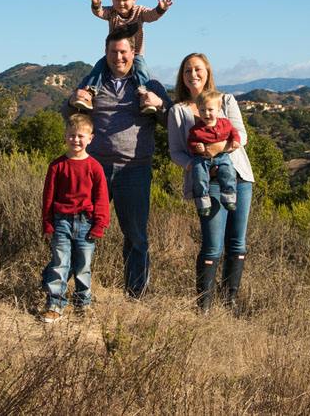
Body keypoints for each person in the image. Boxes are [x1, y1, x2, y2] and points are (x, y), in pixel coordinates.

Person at [63, 28, 172, 299]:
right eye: (113, 52)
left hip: (135, 169)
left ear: (133, 54)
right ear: (106, 53)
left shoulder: (151, 85)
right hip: (94, 169)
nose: (118, 57)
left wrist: (159, 105)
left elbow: (171, 122)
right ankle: (67, 291)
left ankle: (136, 295)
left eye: (124, 52)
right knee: (79, 228)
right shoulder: (93, 84)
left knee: (136, 236)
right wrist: (71, 99)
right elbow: (67, 114)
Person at [167, 53, 255, 314]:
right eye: (187, 71)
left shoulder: (226, 100)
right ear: (181, 77)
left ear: (207, 72)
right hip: (208, 184)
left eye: (198, 69)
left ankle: (231, 302)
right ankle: (203, 306)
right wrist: (195, 164)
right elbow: (176, 152)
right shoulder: (178, 111)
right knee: (212, 244)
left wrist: (215, 149)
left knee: (237, 242)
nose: (193, 74)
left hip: (240, 178)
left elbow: (243, 135)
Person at [40, 114, 110, 323]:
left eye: (81, 136)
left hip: (86, 224)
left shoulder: (95, 167)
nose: (76, 140)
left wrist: (100, 224)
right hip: (61, 221)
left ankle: (82, 304)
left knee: (83, 266)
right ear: (65, 136)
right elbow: (48, 196)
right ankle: (55, 304)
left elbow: (101, 198)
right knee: (60, 263)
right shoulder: (57, 166)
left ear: (90, 138)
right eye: (72, 135)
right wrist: (47, 221)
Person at [75, 0, 173, 114]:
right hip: (114, 53)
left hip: (136, 53)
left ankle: (144, 95)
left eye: (125, 0)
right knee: (99, 67)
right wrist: (96, 4)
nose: (121, 3)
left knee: (141, 70)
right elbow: (100, 12)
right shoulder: (112, 13)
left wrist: (160, 9)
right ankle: (91, 92)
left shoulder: (139, 12)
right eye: (117, 0)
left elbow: (151, 16)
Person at [187, 89, 241, 217]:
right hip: (202, 158)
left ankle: (228, 198)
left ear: (218, 110)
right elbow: (191, 142)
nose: (206, 113)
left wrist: (235, 141)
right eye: (202, 110)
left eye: (210, 110)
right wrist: (196, 147)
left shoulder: (225, 123)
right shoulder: (195, 129)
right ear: (198, 110)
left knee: (228, 172)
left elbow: (234, 132)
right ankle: (203, 203)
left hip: (222, 156)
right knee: (199, 176)